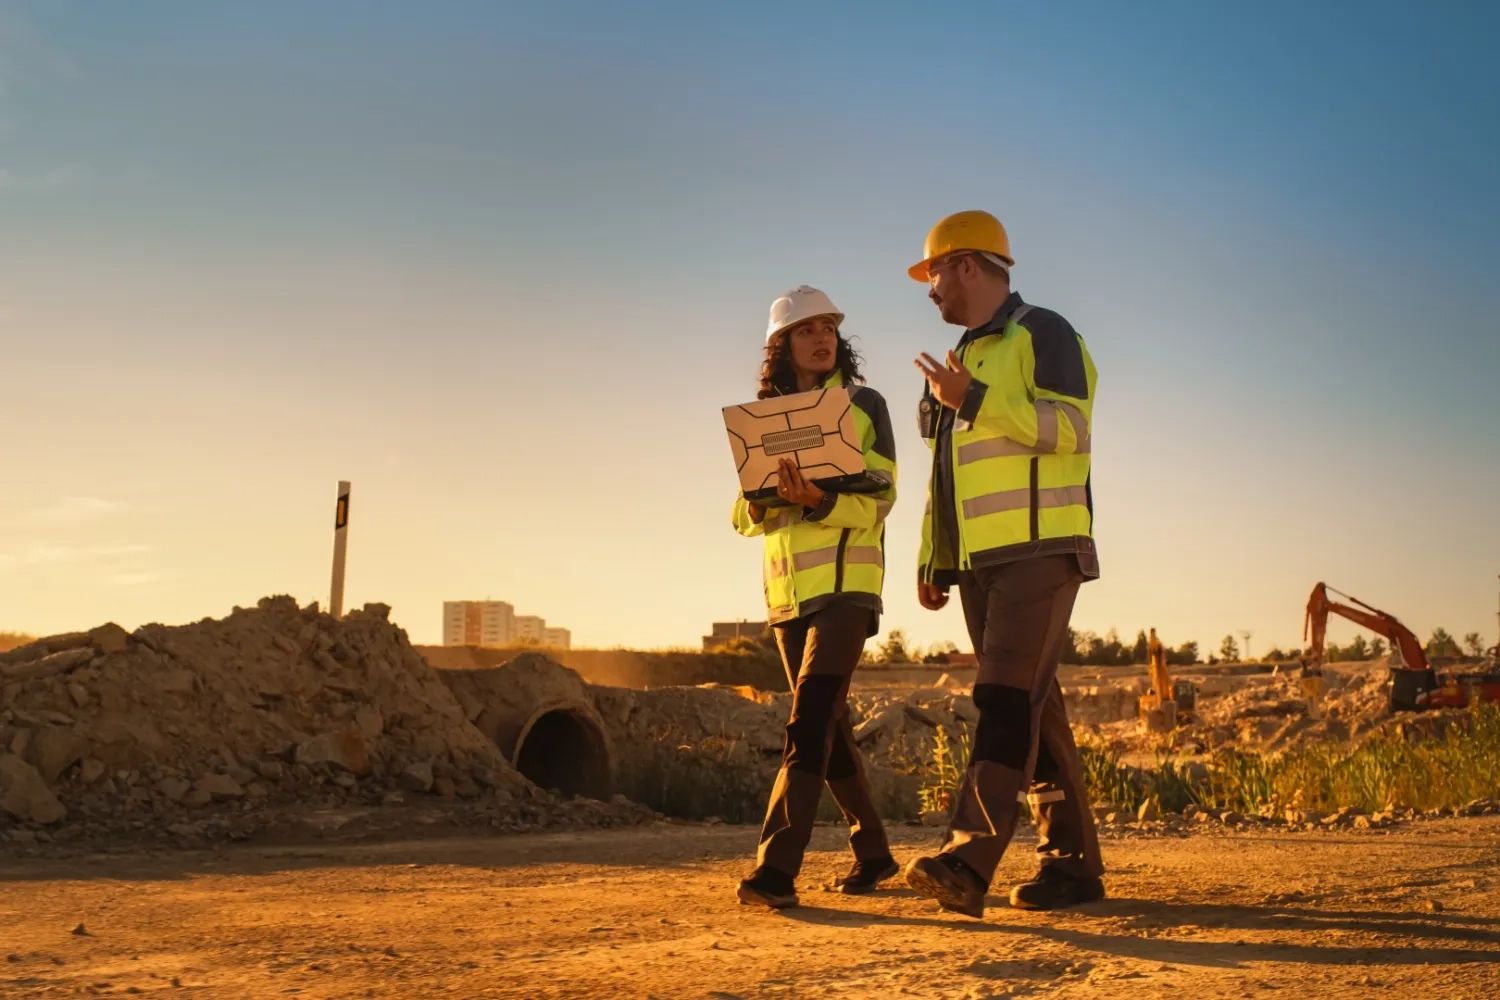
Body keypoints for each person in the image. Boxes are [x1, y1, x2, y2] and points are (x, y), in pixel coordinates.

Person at [903, 211, 1106, 918]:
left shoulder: (1043, 333)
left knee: (1003, 701)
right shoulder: (956, 366)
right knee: (1036, 711)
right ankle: (1072, 866)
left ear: (965, 265)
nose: (929, 291)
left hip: (1040, 550)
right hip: (980, 562)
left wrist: (976, 402)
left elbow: (1070, 429)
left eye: (932, 274)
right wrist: (935, 558)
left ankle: (967, 860)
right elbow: (945, 479)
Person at [731, 285, 901, 909]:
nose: (823, 336)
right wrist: (756, 503)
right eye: (807, 330)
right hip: (787, 596)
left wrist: (819, 500)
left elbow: (882, 497)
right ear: (783, 346)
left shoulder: (864, 404)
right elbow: (740, 515)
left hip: (848, 588)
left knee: (806, 723)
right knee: (829, 731)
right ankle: (876, 855)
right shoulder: (760, 418)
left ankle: (775, 871)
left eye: (829, 326)